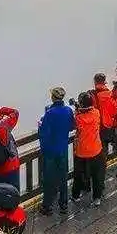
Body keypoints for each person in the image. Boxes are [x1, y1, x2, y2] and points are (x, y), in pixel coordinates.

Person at [37, 87, 75, 215]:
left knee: (49, 179)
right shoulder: (68, 110)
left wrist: (40, 126)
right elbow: (72, 126)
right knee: (63, 177)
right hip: (62, 148)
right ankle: (63, 205)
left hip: (50, 150)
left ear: (53, 97)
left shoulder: (49, 113)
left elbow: (44, 133)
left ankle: (47, 206)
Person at [71, 91, 106, 206]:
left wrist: (76, 107)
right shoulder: (96, 113)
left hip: (81, 151)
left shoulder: (78, 118)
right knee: (97, 175)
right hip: (96, 149)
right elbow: (87, 110)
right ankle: (97, 197)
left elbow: (77, 118)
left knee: (78, 174)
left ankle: (76, 195)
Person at [92, 73, 117, 154]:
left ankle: (103, 164)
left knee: (103, 149)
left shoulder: (93, 95)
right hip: (111, 125)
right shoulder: (110, 94)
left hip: (100, 126)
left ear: (95, 82)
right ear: (104, 82)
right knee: (114, 146)